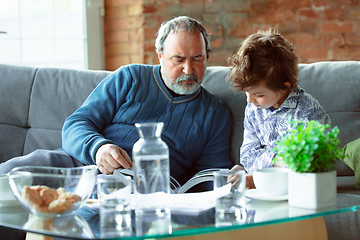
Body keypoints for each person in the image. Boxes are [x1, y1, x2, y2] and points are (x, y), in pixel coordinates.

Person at [0, 16, 233, 188]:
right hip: (78, 161)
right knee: (10, 174)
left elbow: (209, 178)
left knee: (87, 206)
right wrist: (98, 147)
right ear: (160, 56)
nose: (188, 69)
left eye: (198, 59)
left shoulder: (215, 113)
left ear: (207, 58)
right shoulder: (130, 77)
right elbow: (77, 123)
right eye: (178, 59)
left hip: (138, 186)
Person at [227, 27, 330, 189]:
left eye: (259, 94)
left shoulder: (307, 112)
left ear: (284, 87)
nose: (250, 100)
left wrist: (259, 176)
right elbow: (247, 157)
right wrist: (278, 160)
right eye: (247, 92)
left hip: (300, 189)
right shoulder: (254, 108)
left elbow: (308, 167)